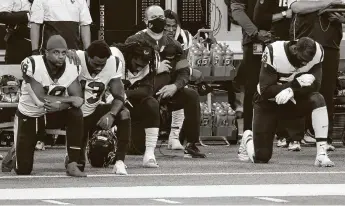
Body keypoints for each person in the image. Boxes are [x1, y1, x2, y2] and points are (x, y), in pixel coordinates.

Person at [238, 37, 334, 167]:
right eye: (302, 61)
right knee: (261, 157)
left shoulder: (317, 53)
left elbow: (316, 85)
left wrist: (293, 91)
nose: (304, 65)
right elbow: (265, 90)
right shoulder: (274, 51)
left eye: (308, 62)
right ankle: (248, 138)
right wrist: (293, 85)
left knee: (318, 98)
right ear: (294, 49)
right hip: (268, 103)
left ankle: (322, 154)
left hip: (294, 102)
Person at [126, 5, 206, 158]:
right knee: (137, 150)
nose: (159, 21)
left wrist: (175, 86)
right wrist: (154, 68)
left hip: (167, 92)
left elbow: (184, 71)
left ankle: (192, 144)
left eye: (161, 18)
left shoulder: (174, 44)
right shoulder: (133, 41)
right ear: (145, 20)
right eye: (154, 18)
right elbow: (128, 73)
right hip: (142, 94)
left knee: (191, 95)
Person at [2, 35, 87, 176]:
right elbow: (40, 98)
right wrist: (69, 99)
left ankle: (73, 163)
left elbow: (79, 100)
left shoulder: (72, 66)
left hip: (53, 114)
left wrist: (61, 106)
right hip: (30, 115)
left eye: (63, 53)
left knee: (76, 113)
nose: (60, 56)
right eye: (56, 52)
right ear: (45, 52)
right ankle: (15, 150)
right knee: (23, 170)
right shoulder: (32, 64)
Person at [288, 0, 343, 151]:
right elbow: (296, 7)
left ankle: (325, 137)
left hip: (331, 45)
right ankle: (295, 138)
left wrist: (342, 18)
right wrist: (327, 3)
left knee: (327, 90)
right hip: (305, 43)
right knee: (299, 88)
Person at [74, 40, 130, 175]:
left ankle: (120, 162)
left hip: (94, 110)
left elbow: (120, 95)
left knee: (124, 113)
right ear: (87, 56)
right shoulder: (74, 58)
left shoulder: (113, 63)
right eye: (96, 64)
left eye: (102, 64)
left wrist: (111, 114)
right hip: (73, 114)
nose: (99, 68)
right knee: (78, 164)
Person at [111, 42, 161, 168]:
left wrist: (126, 93)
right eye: (137, 64)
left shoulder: (151, 63)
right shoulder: (116, 57)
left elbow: (147, 91)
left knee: (152, 104)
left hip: (130, 101)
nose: (139, 68)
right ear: (130, 56)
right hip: (109, 101)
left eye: (143, 65)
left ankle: (149, 154)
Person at [230, 0, 273, 135]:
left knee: (279, 85)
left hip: (279, 39)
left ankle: (280, 133)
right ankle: (249, 132)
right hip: (254, 42)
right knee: (253, 87)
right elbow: (237, 11)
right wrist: (255, 32)